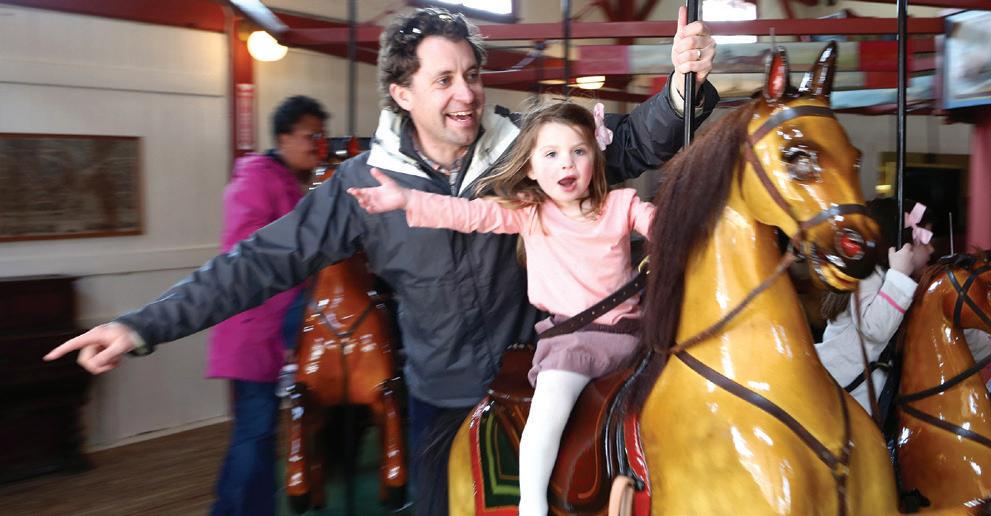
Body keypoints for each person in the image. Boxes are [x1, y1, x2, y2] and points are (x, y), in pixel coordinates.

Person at [44, 6, 718, 515]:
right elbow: (259, 261)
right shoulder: (364, 185)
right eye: (444, 79)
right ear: (402, 93)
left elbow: (629, 145)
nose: (466, 94)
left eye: (472, 75)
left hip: (531, 373)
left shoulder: (525, 148)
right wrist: (141, 325)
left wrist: (681, 91)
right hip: (441, 395)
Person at [349, 100, 647, 516]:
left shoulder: (622, 205)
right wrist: (406, 200)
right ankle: (532, 503)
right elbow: (467, 214)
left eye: (579, 151)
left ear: (595, 159)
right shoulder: (531, 215)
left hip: (635, 335)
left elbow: (667, 227)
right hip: (573, 344)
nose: (567, 163)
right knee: (547, 413)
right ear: (531, 169)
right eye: (551, 154)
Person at [815, 198, 991, 416]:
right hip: (840, 393)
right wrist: (898, 276)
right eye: (925, 240)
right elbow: (875, 329)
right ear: (902, 244)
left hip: (882, 400)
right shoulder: (870, 278)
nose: (932, 248)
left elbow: (958, 336)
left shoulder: (910, 287)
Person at [208, 95, 326, 516]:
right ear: (283, 137)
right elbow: (250, 251)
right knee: (255, 433)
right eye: (311, 135)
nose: (318, 144)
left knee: (258, 433)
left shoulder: (291, 182)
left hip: (272, 326)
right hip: (254, 328)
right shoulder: (256, 179)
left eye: (321, 136)